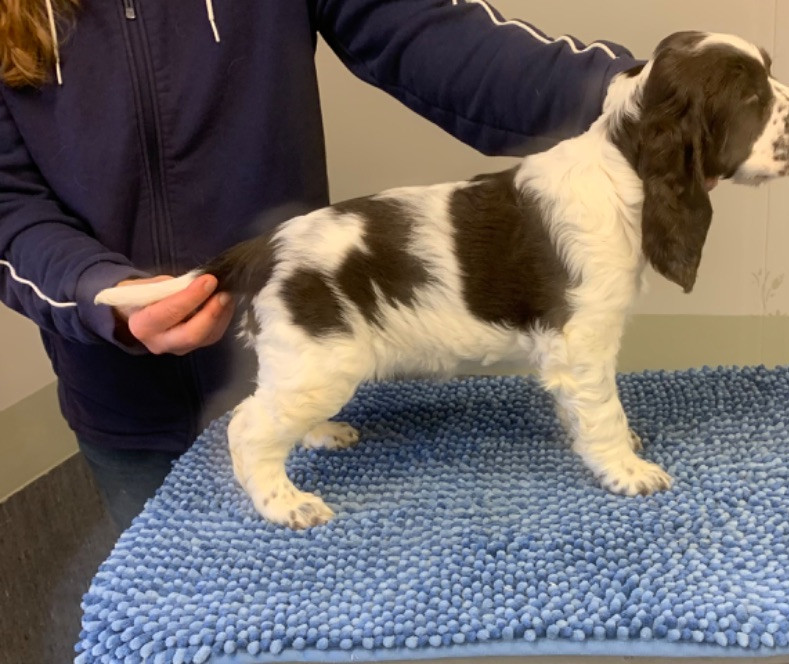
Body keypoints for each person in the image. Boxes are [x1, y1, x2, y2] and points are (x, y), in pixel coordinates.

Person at [0, 0, 641, 531]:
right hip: (122, 403)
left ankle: (281, 430)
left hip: (301, 320)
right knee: (171, 627)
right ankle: (261, 447)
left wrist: (629, 95)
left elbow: (425, 29)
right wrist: (91, 289)